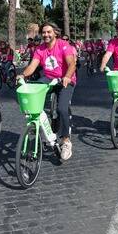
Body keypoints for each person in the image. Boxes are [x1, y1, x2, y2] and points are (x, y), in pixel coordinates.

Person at [19, 22, 77, 160]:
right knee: (32, 94)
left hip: (65, 80)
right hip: (48, 79)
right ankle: (43, 126)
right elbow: (32, 66)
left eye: (48, 32)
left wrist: (67, 77)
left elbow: (72, 64)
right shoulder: (40, 49)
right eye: (43, 32)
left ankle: (66, 141)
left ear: (55, 33)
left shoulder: (63, 45)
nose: (46, 35)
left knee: (62, 109)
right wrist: (23, 75)